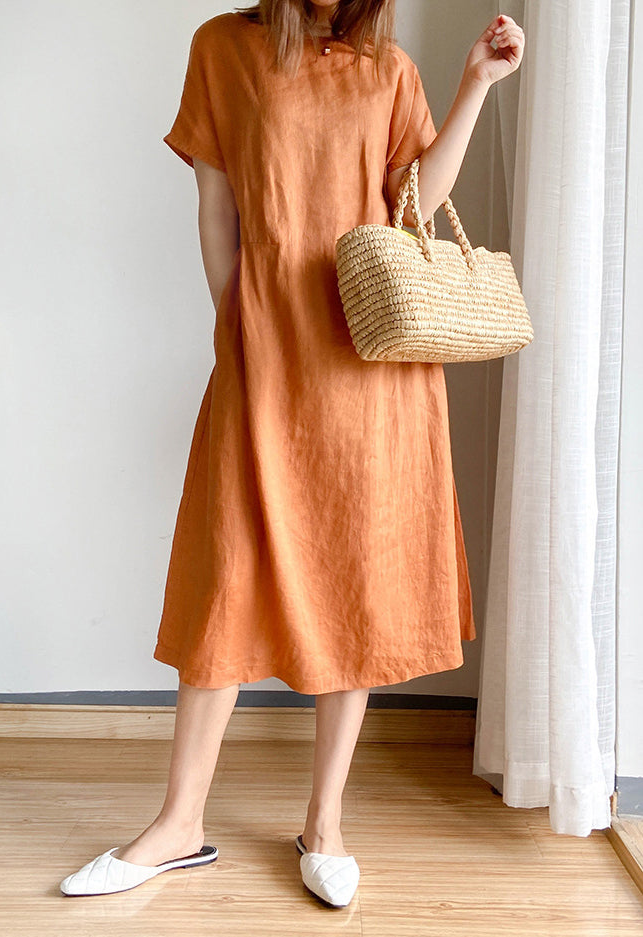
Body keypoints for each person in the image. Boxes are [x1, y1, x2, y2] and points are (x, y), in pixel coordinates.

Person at [60, 0, 524, 907]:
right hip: (266, 349)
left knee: (356, 576)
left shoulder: (387, 68)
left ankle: (326, 821)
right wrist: (233, 326)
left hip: (369, 365)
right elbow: (215, 203)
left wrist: (476, 82)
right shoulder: (220, 48)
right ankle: (179, 823)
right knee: (224, 573)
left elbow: (412, 207)